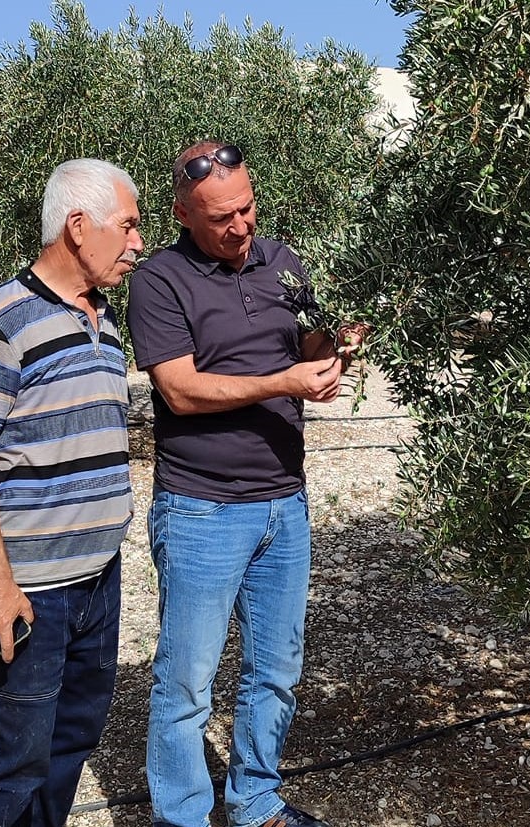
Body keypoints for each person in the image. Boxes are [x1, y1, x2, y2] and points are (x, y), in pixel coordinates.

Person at [126, 141, 368, 827]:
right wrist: (286, 382)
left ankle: (257, 800)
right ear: (183, 214)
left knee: (276, 670)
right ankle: (182, 816)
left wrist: (339, 345)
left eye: (248, 208)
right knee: (185, 683)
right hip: (202, 509)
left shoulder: (283, 260)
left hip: (283, 504)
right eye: (222, 218)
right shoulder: (160, 280)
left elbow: (309, 349)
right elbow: (181, 390)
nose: (240, 226)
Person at [0, 158, 144, 827]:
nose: (137, 242)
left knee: (69, 743)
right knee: (10, 761)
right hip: (34, 588)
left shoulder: (104, 314)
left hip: (99, 578)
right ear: (78, 224)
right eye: (128, 225)